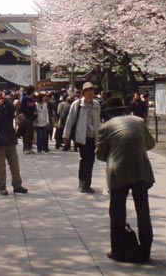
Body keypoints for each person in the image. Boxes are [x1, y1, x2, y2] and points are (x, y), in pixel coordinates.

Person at [96, 97, 155, 263]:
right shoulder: (139, 121)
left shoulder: (106, 127)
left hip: (119, 171)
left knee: (117, 212)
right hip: (140, 169)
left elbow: (99, 154)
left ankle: (118, 251)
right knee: (143, 211)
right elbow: (150, 144)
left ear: (108, 113)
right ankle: (146, 250)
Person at [63, 82, 102, 193]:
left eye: (92, 91)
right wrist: (66, 136)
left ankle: (87, 183)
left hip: (93, 137)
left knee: (91, 160)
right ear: (83, 92)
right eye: (88, 91)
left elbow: (98, 121)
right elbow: (70, 120)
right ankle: (83, 182)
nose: (90, 93)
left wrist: (100, 136)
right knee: (85, 160)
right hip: (82, 136)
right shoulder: (77, 104)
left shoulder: (96, 105)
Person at [0, 91, 28, 196]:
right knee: (0, 167)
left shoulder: (8, 109)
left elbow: (13, 110)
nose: (1, 99)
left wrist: (7, 101)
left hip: (10, 139)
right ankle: (2, 187)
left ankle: (17, 185)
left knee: (15, 165)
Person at [19, 85, 37, 154]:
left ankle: (30, 147)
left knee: (30, 134)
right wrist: (31, 113)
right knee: (26, 134)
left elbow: (34, 108)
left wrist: (35, 113)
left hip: (32, 119)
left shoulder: (32, 99)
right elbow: (22, 109)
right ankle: (25, 148)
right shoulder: (25, 99)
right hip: (26, 119)